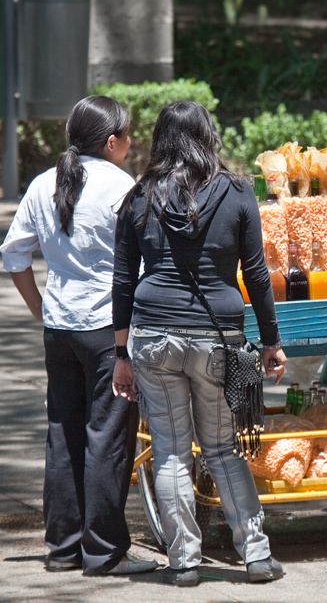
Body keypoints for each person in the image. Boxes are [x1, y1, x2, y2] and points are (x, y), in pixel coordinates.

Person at [112, 102, 288, 587]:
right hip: (216, 340)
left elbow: (123, 281)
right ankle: (254, 555)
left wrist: (120, 354)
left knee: (169, 451)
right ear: (209, 135)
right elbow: (256, 274)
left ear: (160, 140)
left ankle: (184, 561)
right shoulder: (236, 193)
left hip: (153, 338)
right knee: (221, 447)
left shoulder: (139, 196)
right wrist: (271, 342)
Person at [0, 96, 158, 576]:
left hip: (60, 329)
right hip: (109, 332)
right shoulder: (121, 186)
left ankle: (63, 548)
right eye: (128, 137)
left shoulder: (43, 183)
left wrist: (42, 310)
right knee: (107, 437)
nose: (131, 145)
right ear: (112, 142)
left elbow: (14, 255)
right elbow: (142, 264)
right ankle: (104, 553)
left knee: (62, 435)